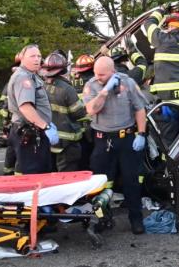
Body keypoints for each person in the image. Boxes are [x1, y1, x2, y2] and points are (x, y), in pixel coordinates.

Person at [83, 56, 147, 234]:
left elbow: (140, 108)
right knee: (100, 183)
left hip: (125, 137)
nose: (98, 77)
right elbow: (91, 109)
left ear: (113, 71)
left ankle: (136, 219)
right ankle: (101, 219)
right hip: (102, 139)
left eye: (102, 74)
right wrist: (104, 91)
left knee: (131, 181)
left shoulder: (128, 83)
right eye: (96, 73)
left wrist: (140, 133)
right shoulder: (92, 85)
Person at [7, 44, 59, 175]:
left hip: (33, 130)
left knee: (40, 171)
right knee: (33, 174)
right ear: (22, 59)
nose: (37, 59)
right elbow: (25, 107)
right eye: (32, 56)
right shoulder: (24, 78)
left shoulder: (31, 75)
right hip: (30, 132)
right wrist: (45, 127)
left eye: (39, 56)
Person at [137, 4, 179, 107]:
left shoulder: (161, 38)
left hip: (168, 98)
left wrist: (161, 10)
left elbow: (149, 23)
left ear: (171, 26)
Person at [41, 52, 87, 172]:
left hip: (49, 139)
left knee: (51, 175)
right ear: (64, 69)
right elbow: (78, 113)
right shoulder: (67, 89)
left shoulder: (42, 86)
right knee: (67, 177)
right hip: (68, 142)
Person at [71, 54, 95, 170]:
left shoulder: (72, 81)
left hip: (77, 125)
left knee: (82, 156)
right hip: (93, 124)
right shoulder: (95, 80)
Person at [0, 53, 21, 175]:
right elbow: (2, 104)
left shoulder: (11, 82)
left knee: (12, 147)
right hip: (13, 120)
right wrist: (6, 120)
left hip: (12, 120)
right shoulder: (13, 83)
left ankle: (8, 170)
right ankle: (11, 171)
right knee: (16, 147)